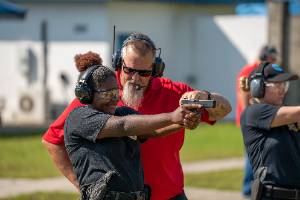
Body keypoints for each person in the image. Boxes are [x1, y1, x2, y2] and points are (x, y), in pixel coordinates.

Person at [43, 33, 232, 200]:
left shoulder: (174, 92)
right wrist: (82, 186)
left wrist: (200, 100)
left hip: (169, 195)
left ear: (156, 70)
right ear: (119, 63)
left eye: (144, 73)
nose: (135, 78)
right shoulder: (99, 95)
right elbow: (53, 140)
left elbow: (224, 109)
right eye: (129, 70)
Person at [65, 64, 202, 200]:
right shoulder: (79, 117)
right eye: (107, 94)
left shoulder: (122, 113)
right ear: (86, 94)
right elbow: (123, 126)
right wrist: (172, 116)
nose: (114, 99)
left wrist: (183, 121)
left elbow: (154, 130)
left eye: (115, 93)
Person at [240, 61, 300, 200]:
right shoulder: (253, 113)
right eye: (277, 85)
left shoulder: (286, 115)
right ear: (257, 87)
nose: (282, 90)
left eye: (284, 85)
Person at [235, 45, 278, 197]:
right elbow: (243, 95)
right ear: (264, 56)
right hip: (253, 122)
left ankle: (253, 188)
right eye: (272, 58)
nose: (274, 61)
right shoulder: (250, 70)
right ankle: (248, 189)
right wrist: (250, 119)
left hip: (259, 119)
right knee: (252, 157)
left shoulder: (260, 70)